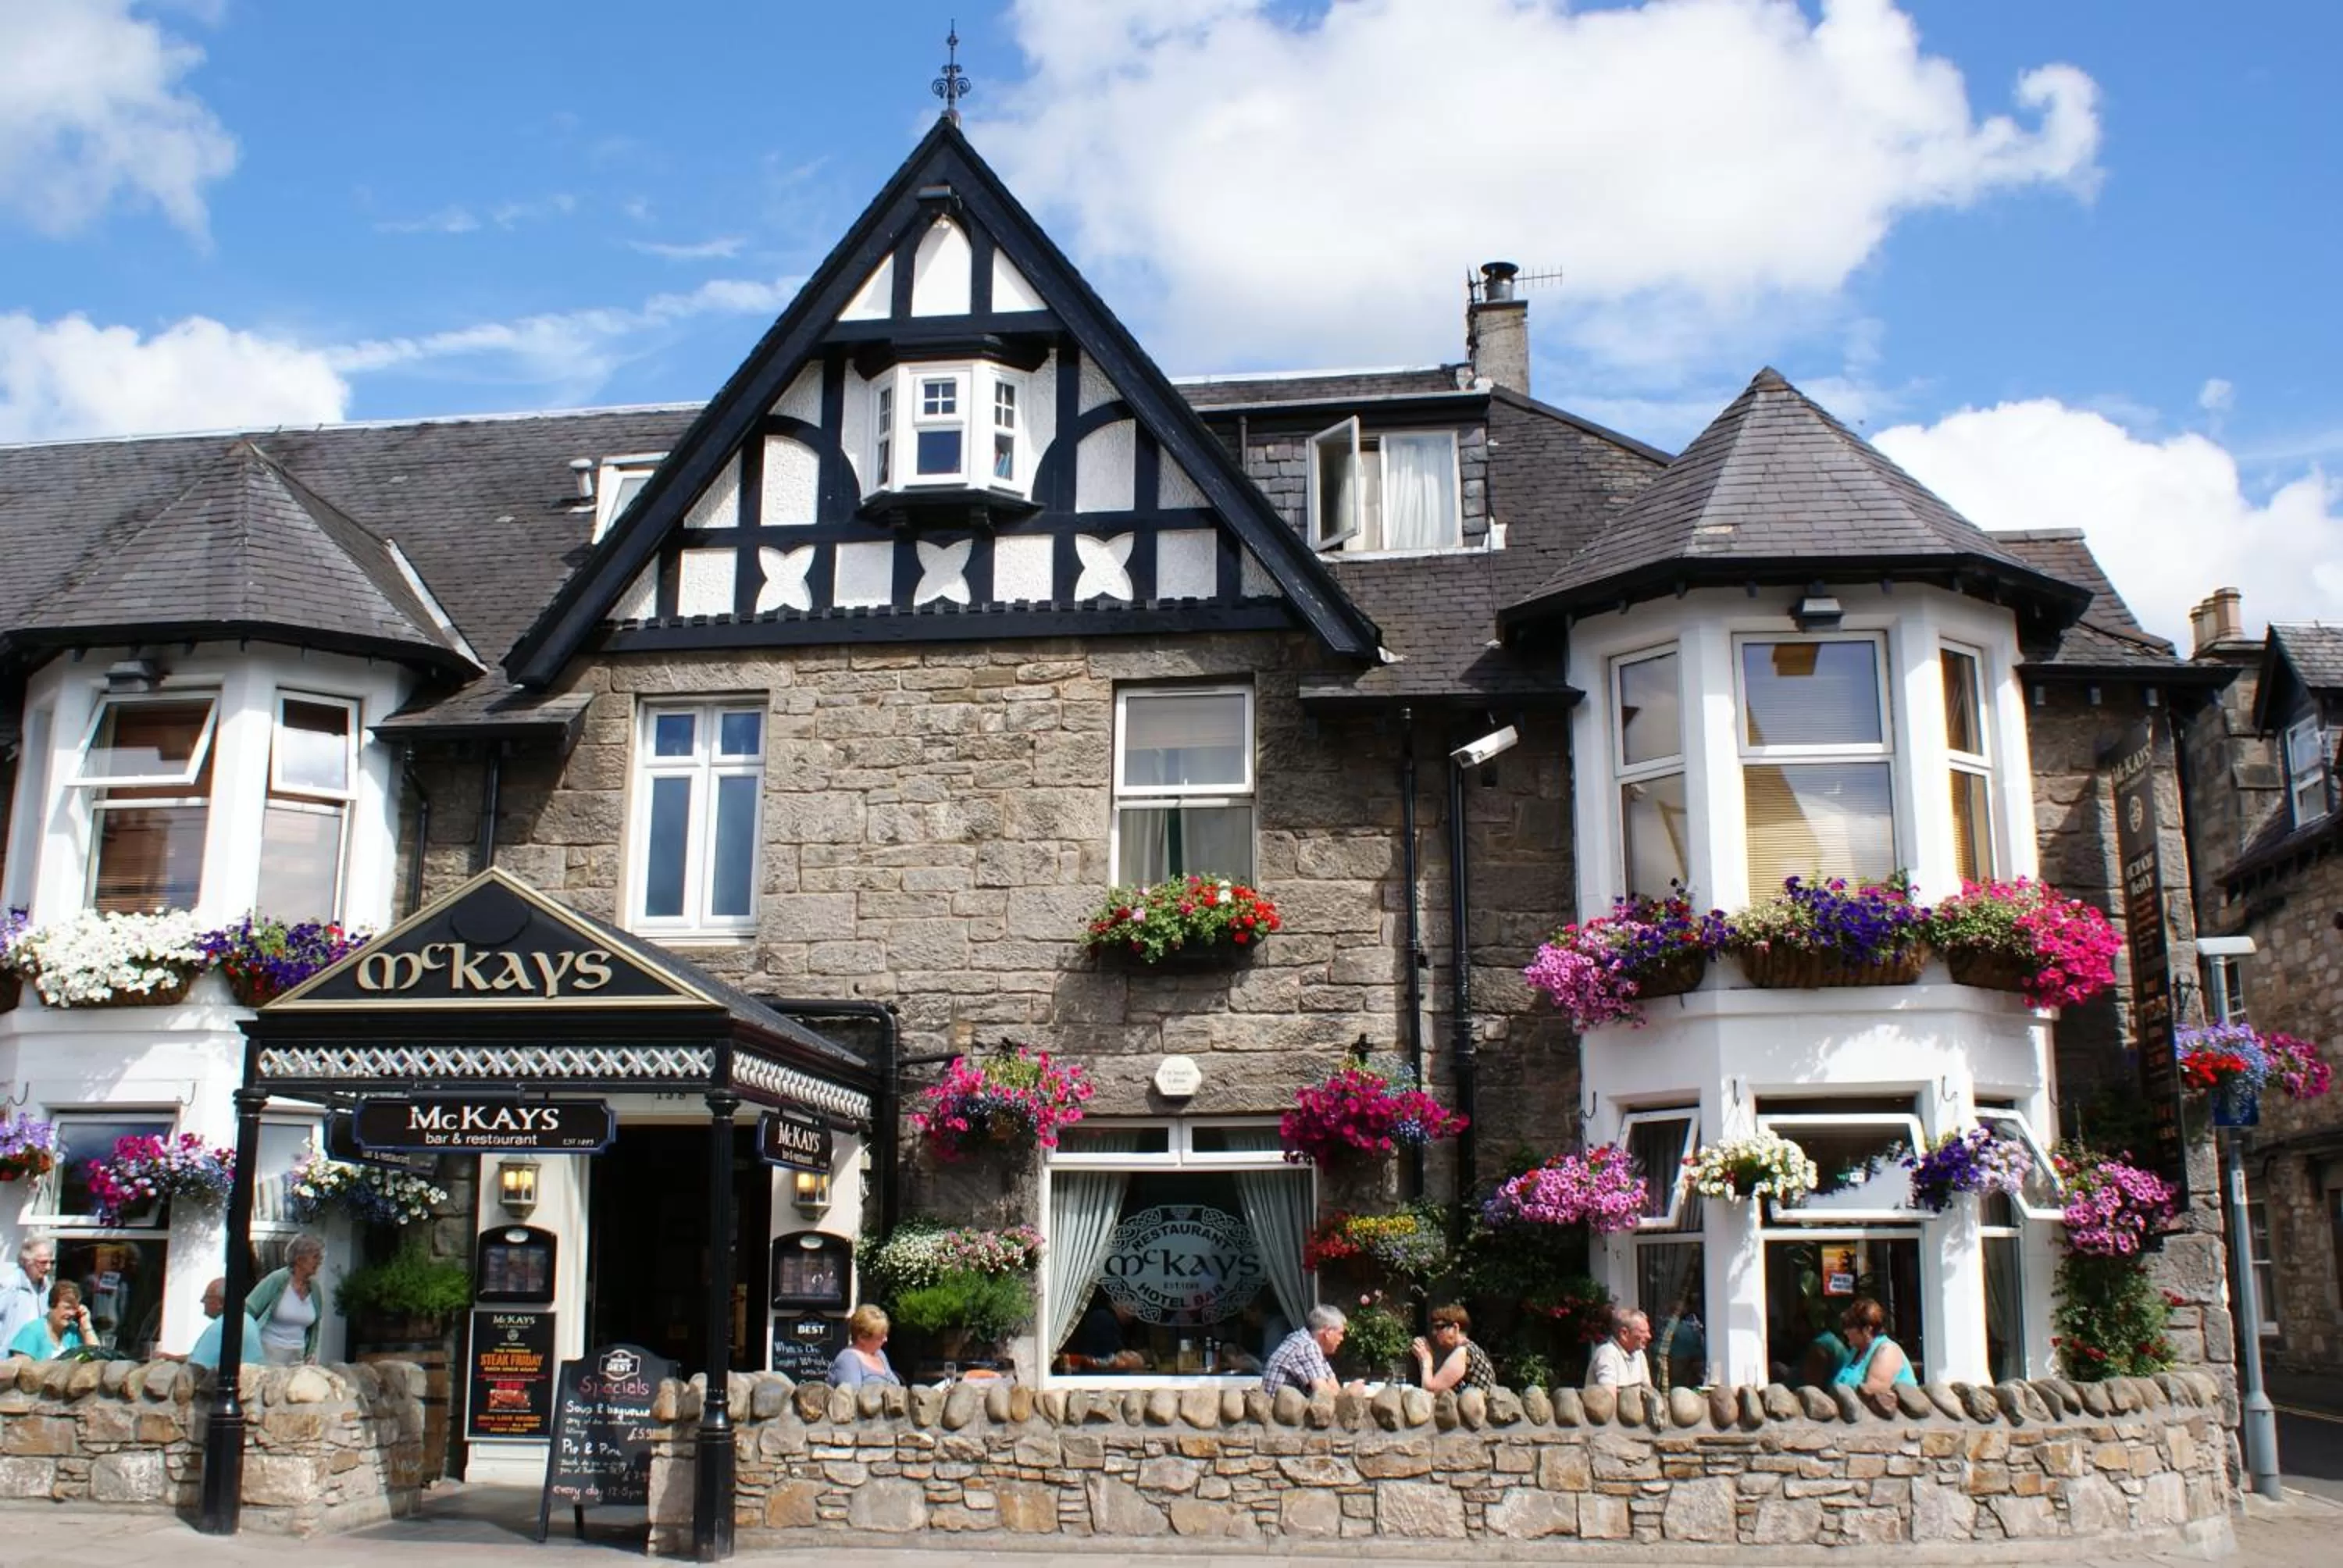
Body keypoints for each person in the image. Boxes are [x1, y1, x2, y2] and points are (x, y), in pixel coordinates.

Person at [246, 1234, 326, 1366]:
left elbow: (315, 1326)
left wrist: (311, 1353)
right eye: (316, 1257)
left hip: (298, 1359)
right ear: (299, 1259)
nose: (319, 1262)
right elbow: (249, 1309)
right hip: (268, 1356)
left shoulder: (315, 1289)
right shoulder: (277, 1280)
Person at [1261, 1305, 1359, 1398]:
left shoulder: (1310, 1343)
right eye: (1340, 1333)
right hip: (1278, 1413)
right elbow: (1324, 1395)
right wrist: (1349, 1393)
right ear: (1328, 1332)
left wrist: (1341, 1394)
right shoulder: (1306, 1346)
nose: (1342, 1339)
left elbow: (1334, 1387)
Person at [1835, 1297, 1917, 1395]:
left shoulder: (1887, 1350)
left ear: (1867, 1329)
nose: (1845, 1332)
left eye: (1850, 1327)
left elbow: (1873, 1395)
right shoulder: (1855, 1352)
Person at [1410, 1303, 1496, 1394]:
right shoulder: (1470, 1349)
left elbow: (1430, 1391)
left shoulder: (1463, 1353)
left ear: (1455, 1328)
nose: (1434, 1332)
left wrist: (1426, 1360)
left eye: (1439, 1327)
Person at [182, 1278, 265, 1372]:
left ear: (220, 1303)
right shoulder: (248, 1320)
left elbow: (197, 1365)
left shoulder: (223, 1324)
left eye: (207, 1297)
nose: (202, 1301)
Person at [6, 1279, 91, 1359]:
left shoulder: (74, 1331)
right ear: (52, 1305)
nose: (72, 1313)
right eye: (67, 1308)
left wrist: (87, 1326)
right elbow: (23, 1369)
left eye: (75, 1308)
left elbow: (98, 1359)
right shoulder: (31, 1332)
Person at [828, 1304, 902, 1388]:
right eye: (880, 1337)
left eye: (885, 1335)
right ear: (862, 1338)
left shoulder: (879, 1354)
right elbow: (851, 1397)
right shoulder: (848, 1360)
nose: (885, 1339)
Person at [0, 1236, 55, 1348]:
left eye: (51, 1262)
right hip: (9, 1360)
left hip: (37, 1357)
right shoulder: (10, 1285)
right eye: (43, 1262)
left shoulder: (47, 1288)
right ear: (27, 1262)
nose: (48, 1267)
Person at [1585, 1307, 1653, 1389]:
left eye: (1648, 1331)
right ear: (1624, 1334)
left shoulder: (1639, 1354)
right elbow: (1608, 1397)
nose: (1649, 1336)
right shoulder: (1607, 1353)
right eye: (1642, 1332)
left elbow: (1648, 1392)